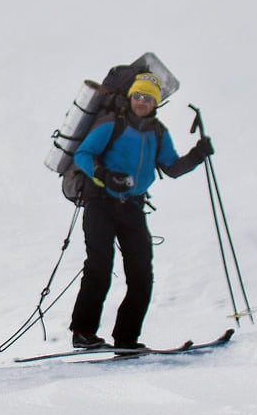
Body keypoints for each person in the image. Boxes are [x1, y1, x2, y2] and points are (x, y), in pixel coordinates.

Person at [68, 72, 213, 350]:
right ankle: (83, 333)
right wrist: (105, 175)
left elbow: (171, 167)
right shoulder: (112, 124)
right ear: (131, 97)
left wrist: (197, 155)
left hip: (132, 207)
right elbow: (83, 155)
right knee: (100, 265)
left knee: (141, 273)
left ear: (156, 103)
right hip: (99, 202)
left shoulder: (157, 132)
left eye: (148, 98)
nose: (142, 102)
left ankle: (126, 338)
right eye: (138, 96)